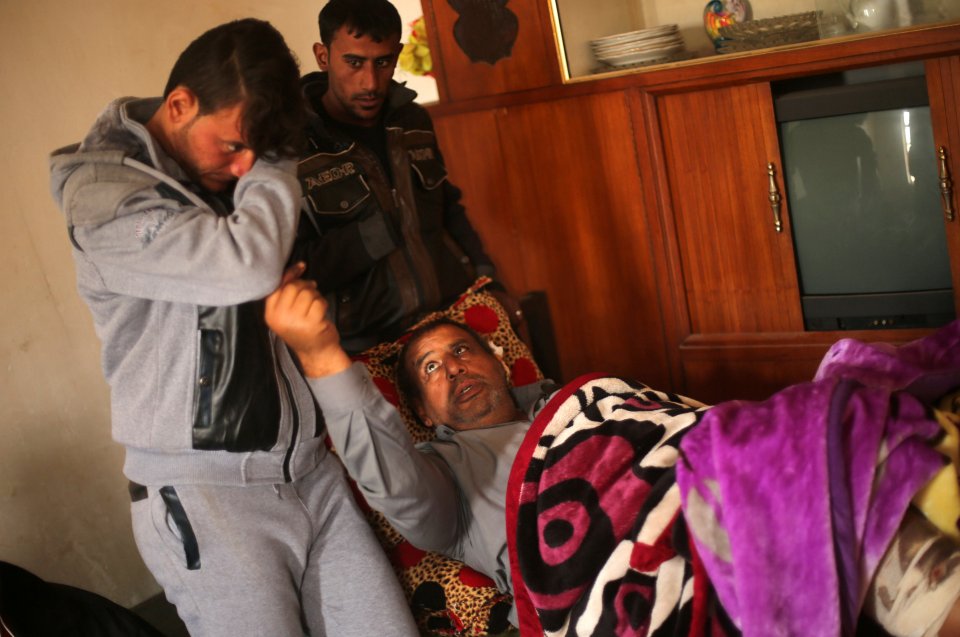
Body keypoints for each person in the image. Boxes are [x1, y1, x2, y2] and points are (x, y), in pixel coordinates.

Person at [264, 276, 960, 636]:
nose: (453, 369)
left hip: (705, 474)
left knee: (814, 445)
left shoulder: (577, 397)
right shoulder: (444, 482)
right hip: (617, 557)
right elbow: (389, 478)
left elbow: (677, 428)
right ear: (421, 411)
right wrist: (323, 355)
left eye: (462, 350)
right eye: (430, 371)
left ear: (499, 360)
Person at [49, 19, 417, 637]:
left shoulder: (222, 168)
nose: (244, 166)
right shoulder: (101, 193)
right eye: (233, 146)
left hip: (310, 473)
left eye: (258, 150)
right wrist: (277, 158)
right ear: (180, 104)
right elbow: (245, 263)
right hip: (208, 496)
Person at [291, 0, 498, 354]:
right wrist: (375, 235)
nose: (370, 82)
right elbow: (296, 268)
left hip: (448, 318)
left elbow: (448, 206)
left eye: (383, 62)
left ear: (397, 54)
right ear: (323, 57)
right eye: (354, 62)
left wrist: (488, 283)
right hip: (361, 346)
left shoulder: (412, 121)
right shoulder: (292, 144)